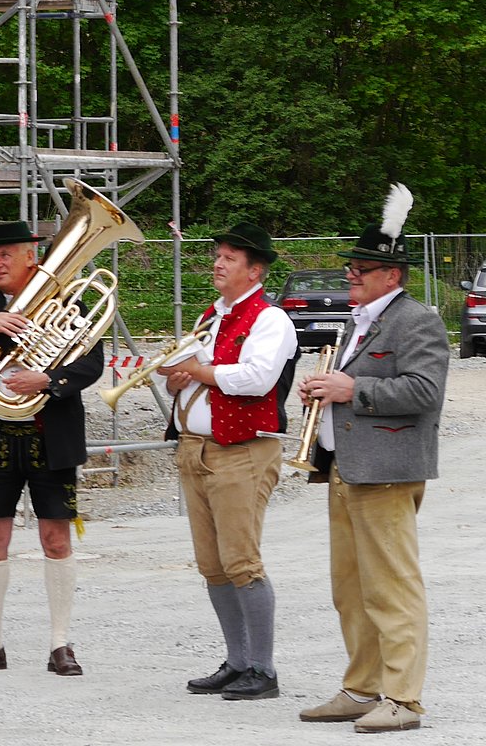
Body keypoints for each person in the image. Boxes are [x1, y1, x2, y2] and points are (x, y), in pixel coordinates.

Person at [295, 186, 446, 733]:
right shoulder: (359, 319)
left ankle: (403, 699)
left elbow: (425, 392)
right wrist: (323, 390)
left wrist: (349, 388)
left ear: (393, 276)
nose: (352, 273)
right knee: (351, 589)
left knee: (391, 587)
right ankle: (362, 688)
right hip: (346, 468)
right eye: (354, 266)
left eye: (364, 267)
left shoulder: (417, 320)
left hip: (386, 472)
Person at [0, 220, 104, 676]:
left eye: (6, 254)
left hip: (51, 435)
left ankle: (60, 644)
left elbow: (92, 364)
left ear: (33, 256)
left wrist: (47, 379)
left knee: (55, 538)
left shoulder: (67, 302)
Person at [158, 222, 298, 701]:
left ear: (254, 270)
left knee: (242, 561)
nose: (218, 262)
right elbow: (193, 373)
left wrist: (197, 370)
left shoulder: (270, 319)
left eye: (229, 258)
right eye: (218, 255)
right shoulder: (212, 316)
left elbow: (257, 378)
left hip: (242, 452)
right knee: (212, 564)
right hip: (197, 448)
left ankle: (263, 667)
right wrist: (176, 380)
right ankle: (238, 662)